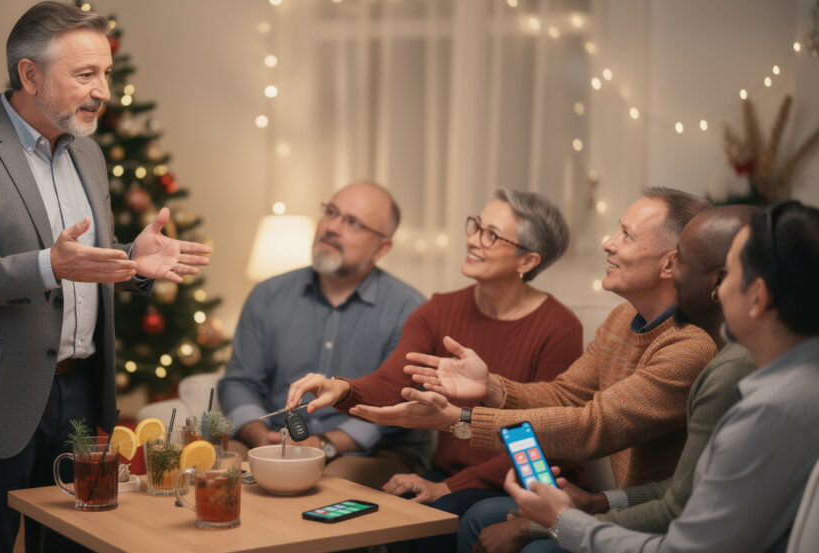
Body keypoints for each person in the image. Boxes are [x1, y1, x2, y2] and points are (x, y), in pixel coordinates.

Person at [0, 1, 210, 553]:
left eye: (107, 75)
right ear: (30, 74)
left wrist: (130, 261)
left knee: (77, 543)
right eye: (86, 75)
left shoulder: (88, 155)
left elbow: (78, 259)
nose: (105, 92)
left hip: (80, 393)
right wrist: (47, 265)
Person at [348, 187, 717, 505]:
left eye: (626, 235)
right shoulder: (621, 320)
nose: (608, 243)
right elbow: (566, 394)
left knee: (472, 514)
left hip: (645, 513)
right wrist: (491, 386)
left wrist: (460, 421)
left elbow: (593, 426)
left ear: (669, 264)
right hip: (616, 505)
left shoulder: (688, 348)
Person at [504, 200, 819, 553]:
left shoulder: (767, 409)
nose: (676, 277)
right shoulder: (790, 382)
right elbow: (689, 492)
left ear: (758, 296)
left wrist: (561, 522)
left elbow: (682, 545)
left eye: (727, 274)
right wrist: (596, 504)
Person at [285, 188, 583, 552]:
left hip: (522, 482)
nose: (472, 240)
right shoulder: (439, 310)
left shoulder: (559, 328)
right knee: (392, 513)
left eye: (491, 235)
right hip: (450, 473)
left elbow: (544, 438)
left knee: (440, 513)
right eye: (475, 226)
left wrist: (449, 488)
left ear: (527, 261)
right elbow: (392, 381)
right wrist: (340, 388)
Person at [217, 181, 430, 488]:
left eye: (353, 223)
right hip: (278, 442)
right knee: (220, 467)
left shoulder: (410, 310)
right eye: (331, 213)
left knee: (328, 485)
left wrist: (326, 443)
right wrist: (259, 434)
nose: (332, 227)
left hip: (373, 451)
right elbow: (239, 381)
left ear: (381, 248)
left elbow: (396, 408)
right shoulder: (268, 295)